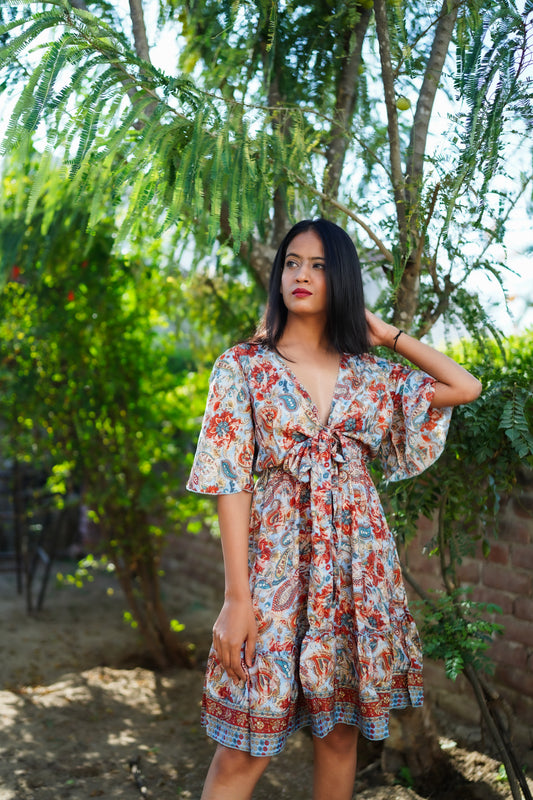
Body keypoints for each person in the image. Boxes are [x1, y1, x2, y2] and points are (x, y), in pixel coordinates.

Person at [187, 218, 481, 800]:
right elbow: (229, 482)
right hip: (272, 573)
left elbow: (464, 386)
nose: (301, 275)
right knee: (243, 746)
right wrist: (236, 598)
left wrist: (385, 333)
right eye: (292, 262)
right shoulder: (243, 366)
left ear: (340, 278)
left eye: (319, 266)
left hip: (354, 571)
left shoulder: (371, 375)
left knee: (341, 737)